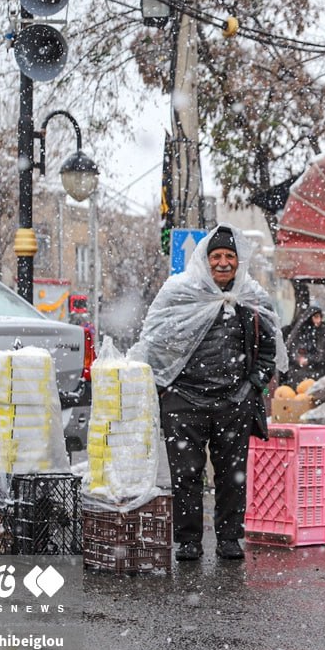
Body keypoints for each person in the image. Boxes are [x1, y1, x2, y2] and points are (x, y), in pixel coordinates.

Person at [129, 224, 287, 562]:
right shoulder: (179, 293)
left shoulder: (251, 298)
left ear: (238, 261)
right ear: (205, 259)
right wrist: (165, 388)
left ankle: (230, 538)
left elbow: (268, 349)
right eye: (216, 255)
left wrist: (253, 386)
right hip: (184, 402)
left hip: (234, 402)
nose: (223, 262)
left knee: (233, 477)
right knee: (185, 477)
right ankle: (188, 542)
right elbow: (154, 341)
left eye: (230, 256)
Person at [283, 305, 325, 387]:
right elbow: (292, 349)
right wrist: (298, 358)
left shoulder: (324, 332)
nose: (319, 320)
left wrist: (310, 360)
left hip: (319, 369)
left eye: (320, 317)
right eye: (316, 317)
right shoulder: (300, 332)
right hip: (300, 371)